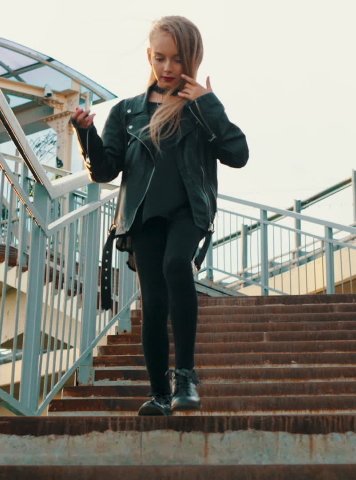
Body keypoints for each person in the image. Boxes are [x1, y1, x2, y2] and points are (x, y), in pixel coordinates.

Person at [71, 16, 249, 416]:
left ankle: (185, 375)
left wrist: (207, 102)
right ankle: (159, 394)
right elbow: (104, 171)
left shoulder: (200, 110)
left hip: (189, 210)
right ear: (149, 57)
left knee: (175, 265)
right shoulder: (127, 111)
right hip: (144, 217)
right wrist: (85, 135)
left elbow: (238, 154)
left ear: (192, 58)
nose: (167, 68)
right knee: (152, 303)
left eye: (176, 59)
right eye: (159, 58)